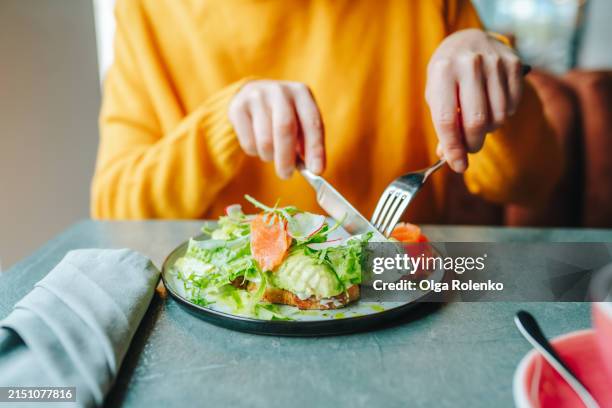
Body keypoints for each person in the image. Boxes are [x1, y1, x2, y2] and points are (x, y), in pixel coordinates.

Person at [91, 0, 562, 222]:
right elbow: (115, 213)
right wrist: (223, 124)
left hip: (404, 307)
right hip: (227, 324)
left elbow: (531, 183)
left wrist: (492, 76)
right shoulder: (146, 12)